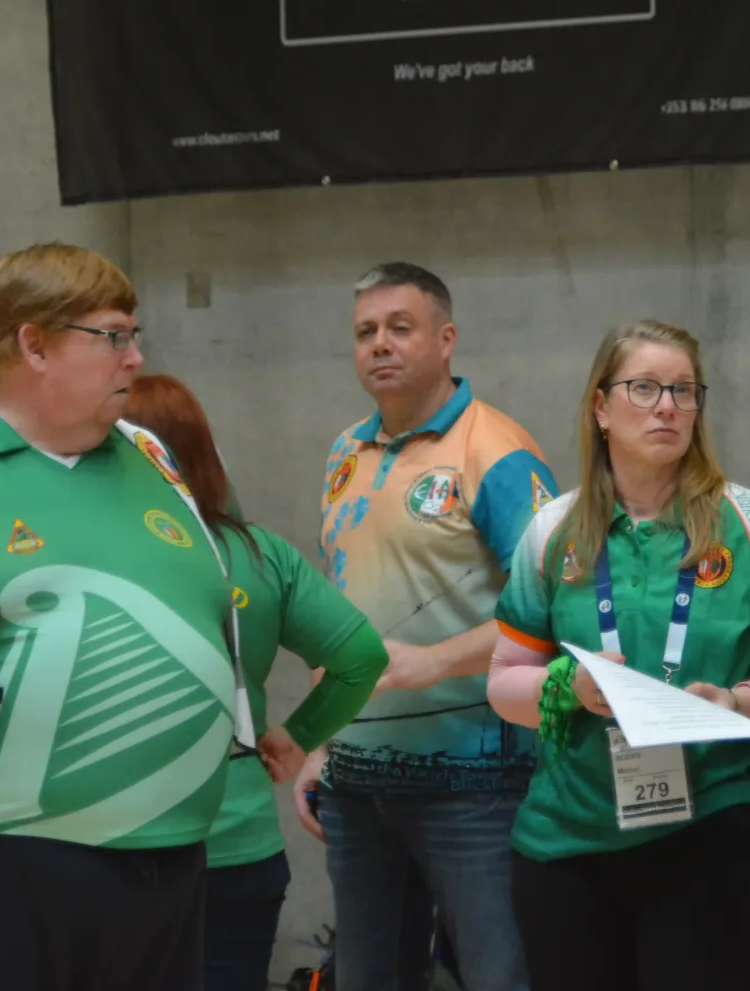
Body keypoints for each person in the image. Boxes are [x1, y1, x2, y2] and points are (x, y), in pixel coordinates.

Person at [0, 242, 358, 991]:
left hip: (170, 866)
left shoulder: (152, 457)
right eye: (113, 336)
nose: (136, 357)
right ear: (34, 345)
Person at [487, 320, 750, 991]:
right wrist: (569, 686)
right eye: (644, 388)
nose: (667, 406)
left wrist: (737, 702)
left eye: (683, 390)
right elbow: (503, 682)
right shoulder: (552, 530)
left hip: (706, 842)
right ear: (601, 407)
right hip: (567, 845)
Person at [301, 262, 559, 991]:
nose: (380, 344)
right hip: (356, 783)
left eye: (400, 328)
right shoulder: (344, 452)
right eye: (366, 332)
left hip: (476, 785)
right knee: (366, 978)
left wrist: (435, 661)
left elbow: (554, 611)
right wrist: (321, 742)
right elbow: (344, 607)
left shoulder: (497, 451)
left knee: (500, 976)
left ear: (446, 340)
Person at [122, 373, 390, 991]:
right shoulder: (262, 554)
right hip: (241, 849)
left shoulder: (100, 559)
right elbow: (362, 656)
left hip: (122, 853)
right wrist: (297, 736)